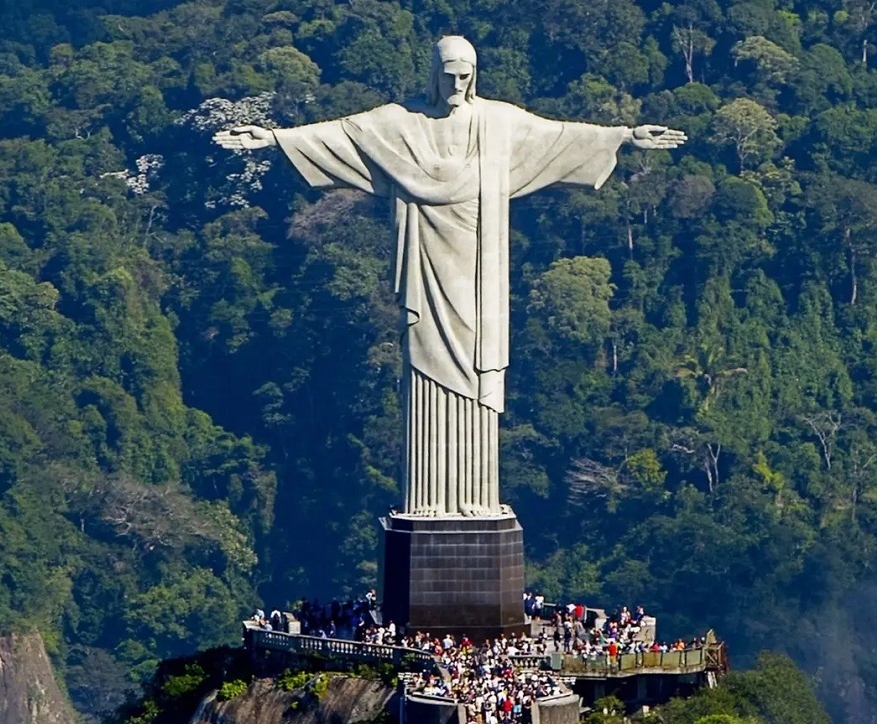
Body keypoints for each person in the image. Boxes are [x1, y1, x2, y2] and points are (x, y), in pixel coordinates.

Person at [215, 36, 686, 517]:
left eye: (465, 76)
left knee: (478, 372)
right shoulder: (401, 122)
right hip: (427, 267)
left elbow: (560, 136)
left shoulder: (498, 122)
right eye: (449, 75)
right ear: (433, 75)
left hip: (480, 273)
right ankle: (427, 501)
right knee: (426, 363)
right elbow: (342, 135)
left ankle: (476, 499)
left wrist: (625, 136)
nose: (457, 84)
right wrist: (274, 138)